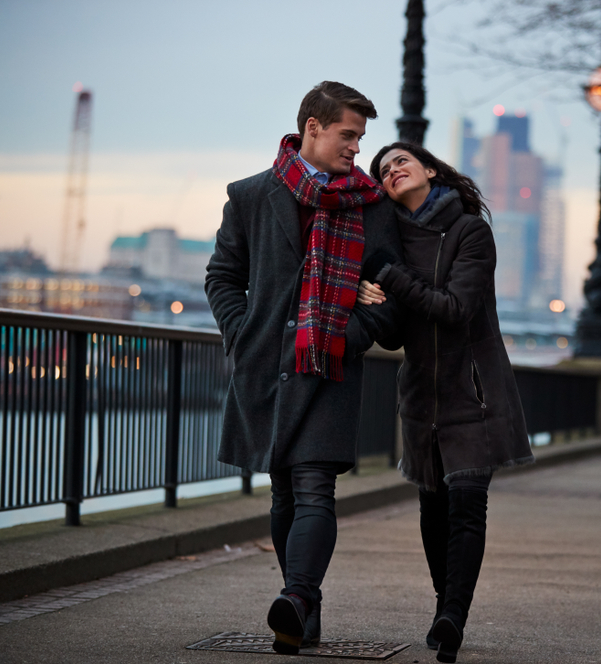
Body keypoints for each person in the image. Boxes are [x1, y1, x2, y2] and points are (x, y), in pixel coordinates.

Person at [204, 82, 404, 655]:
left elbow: (391, 299)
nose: (356, 150)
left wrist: (351, 333)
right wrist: (243, 335)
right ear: (312, 127)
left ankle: (294, 597)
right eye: (348, 135)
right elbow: (222, 277)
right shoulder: (249, 195)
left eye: (361, 139)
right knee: (284, 495)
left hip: (329, 368)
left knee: (316, 489)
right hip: (267, 367)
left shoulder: (372, 207)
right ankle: (303, 609)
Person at [357, 142, 534, 664]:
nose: (392, 171)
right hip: (420, 395)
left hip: (472, 389)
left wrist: (388, 279)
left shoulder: (470, 232)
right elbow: (394, 337)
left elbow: (455, 308)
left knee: (466, 506)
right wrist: (373, 300)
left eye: (401, 162)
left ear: (429, 170)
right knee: (432, 511)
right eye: (384, 169)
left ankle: (454, 614)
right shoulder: (390, 240)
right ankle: (444, 605)